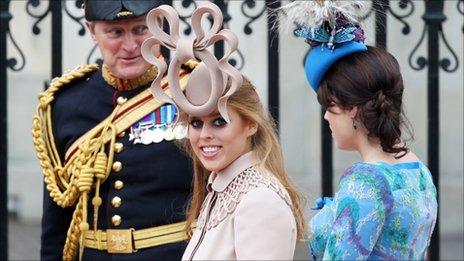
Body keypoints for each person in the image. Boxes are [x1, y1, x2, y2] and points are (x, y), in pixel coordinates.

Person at [140, 3, 306, 260]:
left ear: (251, 124)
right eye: (196, 123)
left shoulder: (259, 200)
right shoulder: (222, 189)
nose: (204, 134)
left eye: (219, 122)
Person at [32, 1, 196, 260]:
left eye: (141, 29)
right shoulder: (65, 103)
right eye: (115, 32)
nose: (130, 46)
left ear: (160, 27)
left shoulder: (193, 90)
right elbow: (58, 215)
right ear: (91, 30)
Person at [278, 1, 438, 260]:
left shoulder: (366, 182)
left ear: (352, 109)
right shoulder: (419, 172)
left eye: (331, 107)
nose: (326, 117)